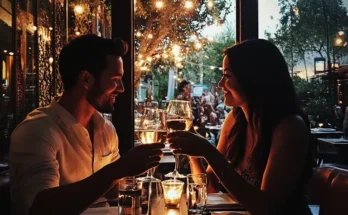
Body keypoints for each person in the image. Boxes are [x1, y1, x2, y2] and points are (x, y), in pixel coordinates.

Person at [9, 35, 164, 215]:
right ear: (86, 79)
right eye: (115, 79)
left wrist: (138, 172)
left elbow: (113, 189)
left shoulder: (105, 128)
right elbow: (41, 208)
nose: (121, 88)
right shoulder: (36, 131)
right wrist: (118, 169)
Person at [168, 39, 313, 215]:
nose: (221, 84)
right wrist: (194, 154)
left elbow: (266, 208)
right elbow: (209, 187)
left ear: (253, 78)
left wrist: (209, 151)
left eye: (227, 75)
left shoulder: (289, 127)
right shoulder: (235, 120)